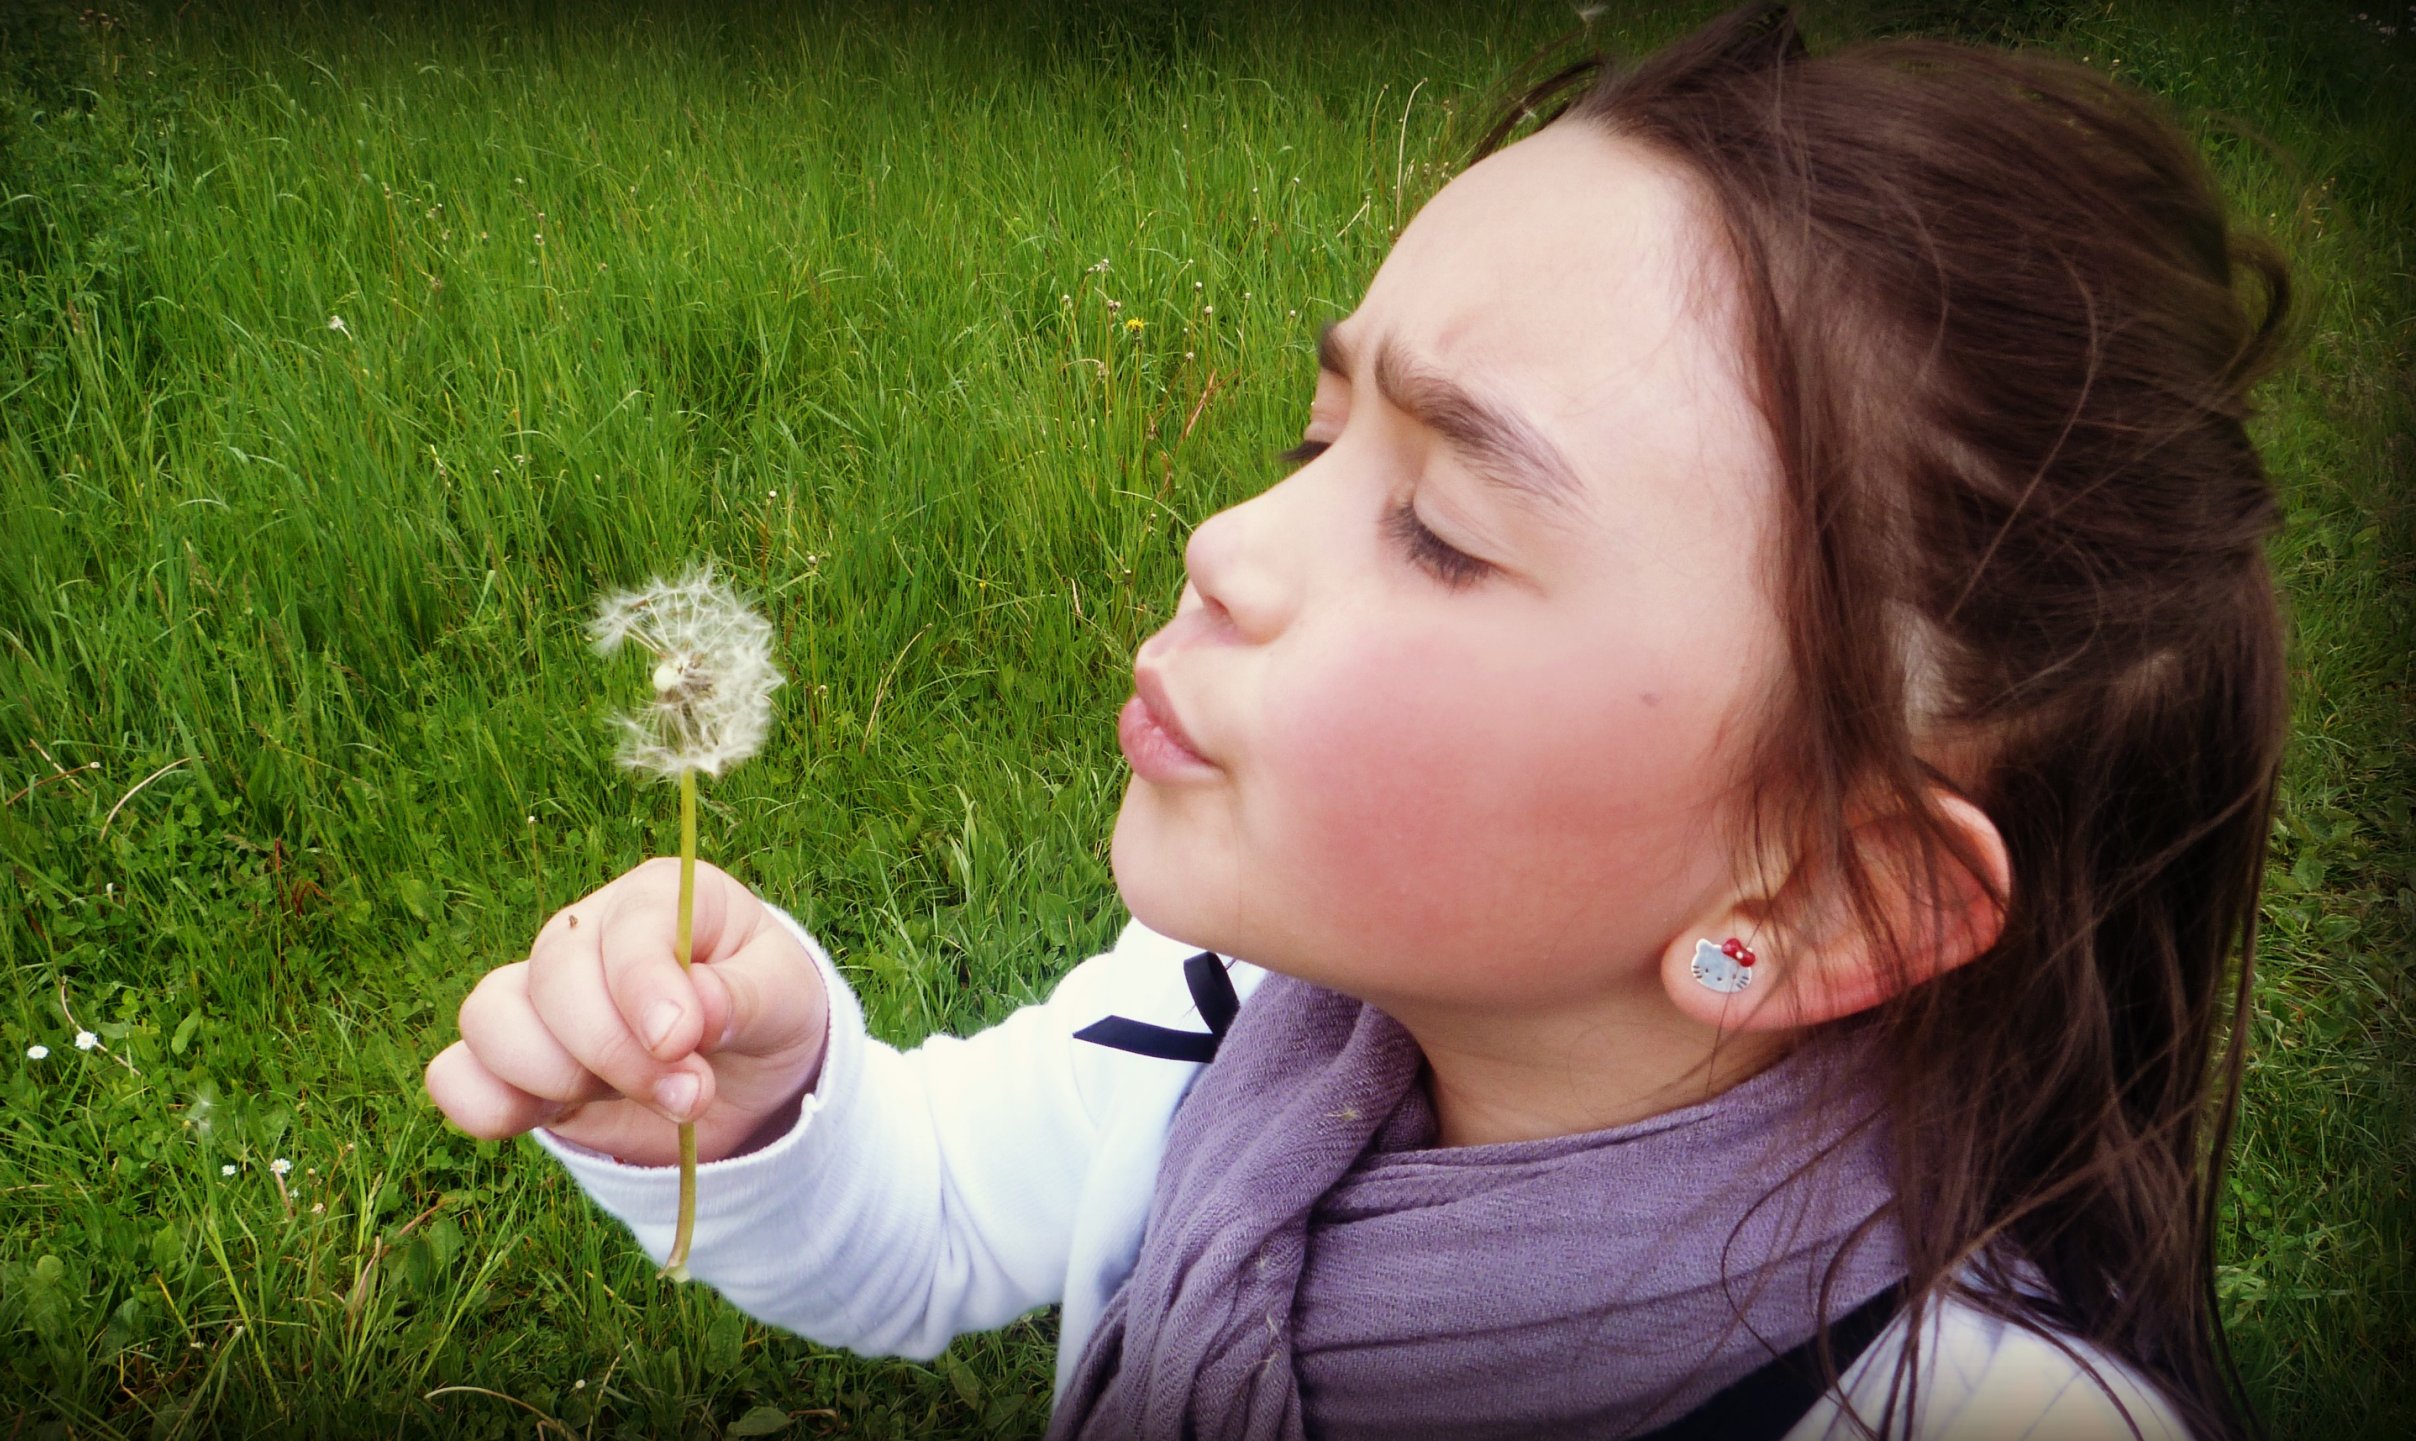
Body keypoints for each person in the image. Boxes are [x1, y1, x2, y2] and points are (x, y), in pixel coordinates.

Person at [425, 4, 2290, 1436]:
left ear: (1824, 901)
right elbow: (932, 1217)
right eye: (1320, 440)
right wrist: (760, 1106)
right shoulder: (1223, 1013)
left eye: (1445, 532)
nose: (1223, 540)